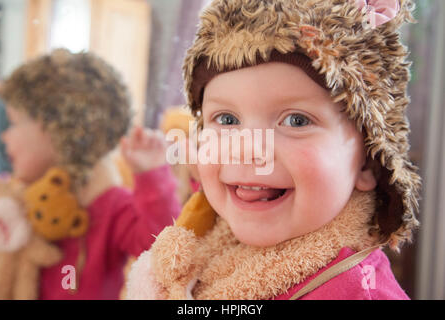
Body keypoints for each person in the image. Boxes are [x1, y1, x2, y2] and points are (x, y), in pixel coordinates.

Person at [126, 0, 421, 300]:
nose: (248, 150)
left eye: (296, 120)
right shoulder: (210, 236)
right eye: (227, 119)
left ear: (368, 163)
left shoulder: (358, 293)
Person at [0, 48, 181, 299]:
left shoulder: (111, 205)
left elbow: (161, 247)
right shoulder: (14, 202)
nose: (4, 136)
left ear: (57, 131)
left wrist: (151, 176)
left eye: (15, 123)